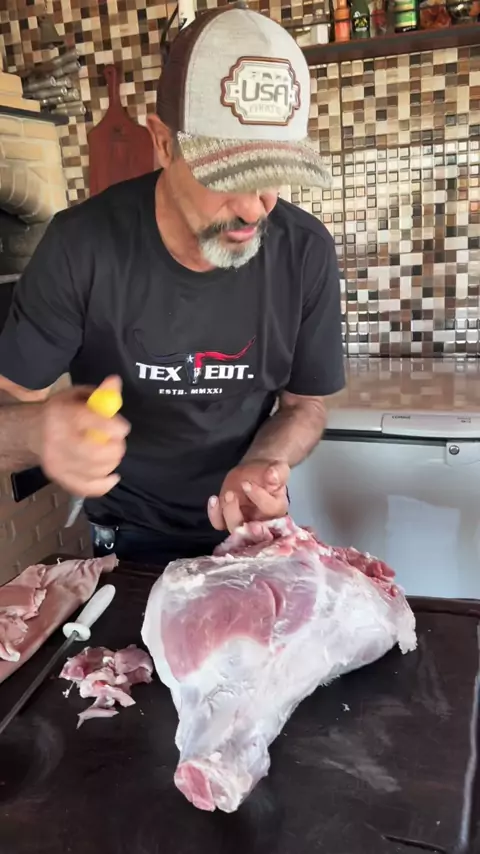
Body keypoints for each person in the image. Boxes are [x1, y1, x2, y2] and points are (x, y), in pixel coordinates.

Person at [0, 4, 345, 565]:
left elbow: (304, 403)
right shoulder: (82, 245)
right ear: (163, 143)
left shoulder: (304, 251)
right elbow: (8, 401)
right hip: (127, 537)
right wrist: (38, 431)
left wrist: (263, 464)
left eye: (272, 174)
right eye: (226, 174)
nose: (253, 208)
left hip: (248, 528)